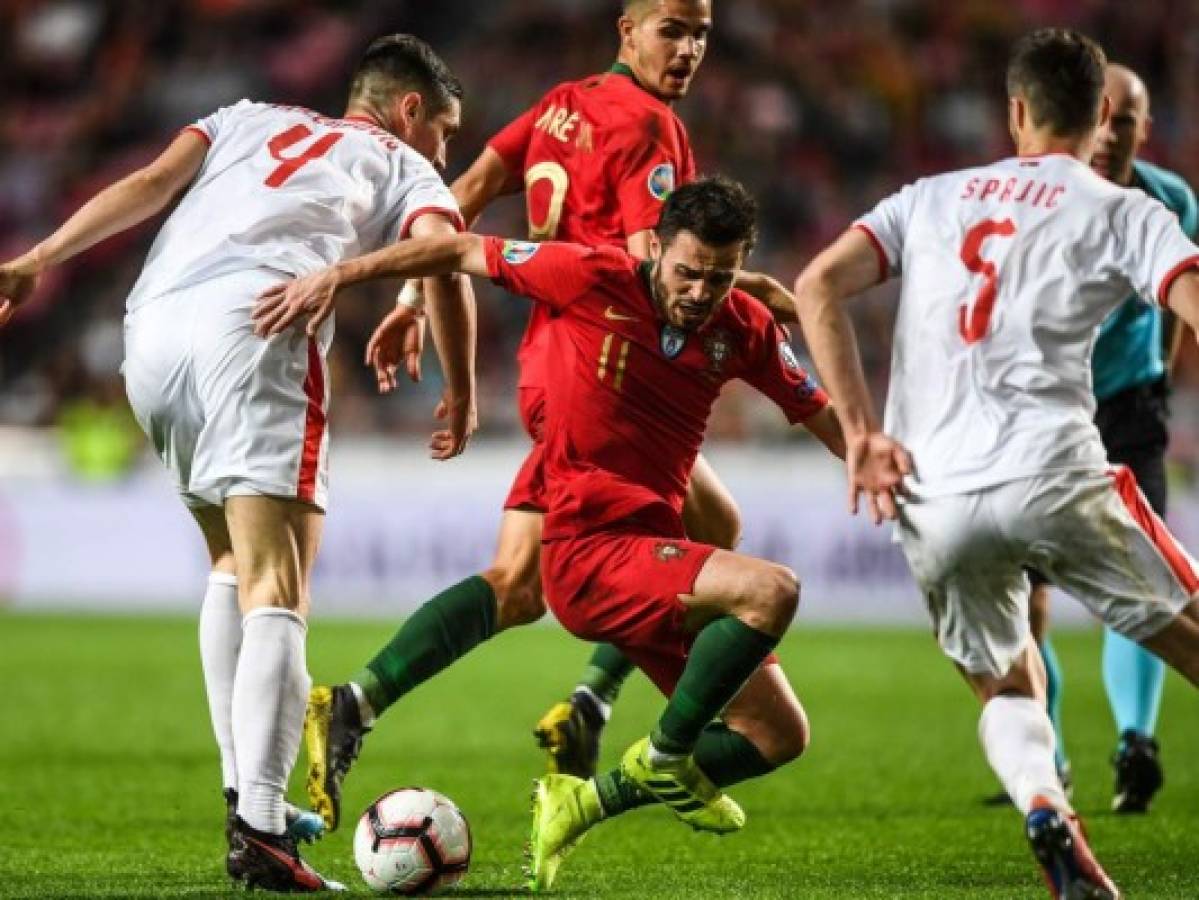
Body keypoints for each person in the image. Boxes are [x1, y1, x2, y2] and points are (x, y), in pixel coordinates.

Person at [253, 175, 845, 892]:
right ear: (655, 247)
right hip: (590, 556)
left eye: (718, 278)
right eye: (687, 272)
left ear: (741, 266)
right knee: (768, 589)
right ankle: (659, 751)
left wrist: (887, 468)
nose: (698, 292)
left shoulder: (743, 326)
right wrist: (339, 277)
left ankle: (583, 799)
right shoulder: (589, 274)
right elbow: (460, 247)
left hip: (654, 555)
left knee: (778, 735)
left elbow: (823, 416)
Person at [302, 0, 800, 832]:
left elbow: (460, 193)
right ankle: (596, 701)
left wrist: (412, 294)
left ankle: (363, 701)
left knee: (532, 578)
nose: (687, 51)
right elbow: (658, 263)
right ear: (627, 30)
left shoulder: (557, 105)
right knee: (689, 532)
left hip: (553, 365)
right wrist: (753, 290)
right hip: (601, 371)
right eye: (671, 30)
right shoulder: (650, 128)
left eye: (701, 34)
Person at [0, 34, 475, 893]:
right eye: (445, 131)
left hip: (150, 333)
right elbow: (447, 257)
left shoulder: (245, 117)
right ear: (410, 112)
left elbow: (146, 186)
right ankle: (260, 827)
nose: (446, 151)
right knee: (279, 584)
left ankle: (243, 798)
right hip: (255, 324)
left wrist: (39, 258)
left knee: (230, 562)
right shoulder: (407, 165)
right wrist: (465, 393)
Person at [793, 27, 1199, 899]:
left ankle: (1045, 807)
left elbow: (815, 285)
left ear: (1013, 110)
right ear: (1100, 119)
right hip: (1052, 473)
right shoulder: (1121, 205)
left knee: (1002, 682)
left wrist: (861, 433)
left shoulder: (928, 198)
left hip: (928, 493)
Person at [1017, 62, 1198, 813]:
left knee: (1141, 582)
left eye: (1125, 115)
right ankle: (1046, 754)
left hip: (1125, 410)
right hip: (1039, 414)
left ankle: (1135, 740)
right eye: (1101, 113)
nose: (1110, 127)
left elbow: (1181, 305)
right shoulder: (1031, 194)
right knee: (1024, 602)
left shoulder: (1169, 200)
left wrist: (1162, 377)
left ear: (1139, 126)